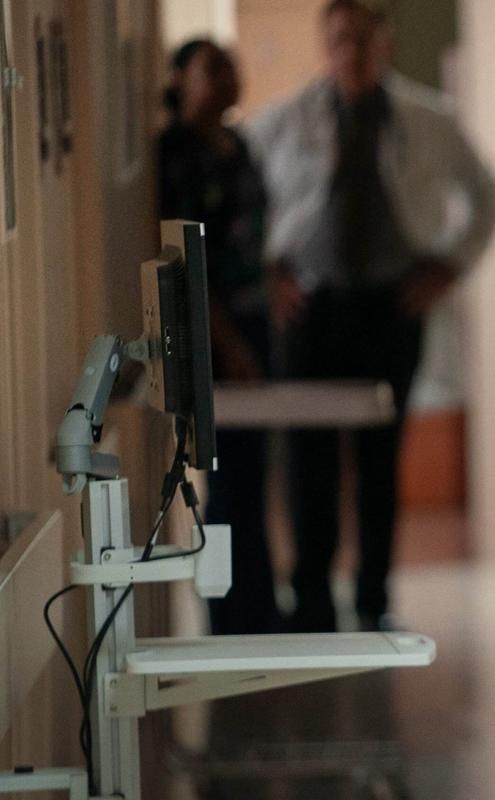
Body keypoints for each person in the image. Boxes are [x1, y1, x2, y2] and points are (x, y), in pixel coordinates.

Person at [245, 0, 495, 632]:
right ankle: (310, 600)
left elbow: (489, 196)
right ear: (326, 44)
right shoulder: (284, 120)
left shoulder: (428, 119)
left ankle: (373, 599)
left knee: (380, 461)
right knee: (308, 461)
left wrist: (448, 267)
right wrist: (266, 271)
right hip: (311, 308)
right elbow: (242, 202)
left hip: (391, 307)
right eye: (340, 40)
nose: (352, 53)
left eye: (363, 40)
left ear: (384, 43)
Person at [158, 38, 280, 635]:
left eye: (232, 65)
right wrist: (227, 343)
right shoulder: (175, 153)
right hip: (213, 331)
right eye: (213, 68)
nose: (228, 77)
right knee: (225, 479)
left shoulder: (240, 143)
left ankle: (262, 607)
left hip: (256, 320)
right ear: (181, 79)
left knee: (254, 475)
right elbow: (186, 259)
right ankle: (228, 615)